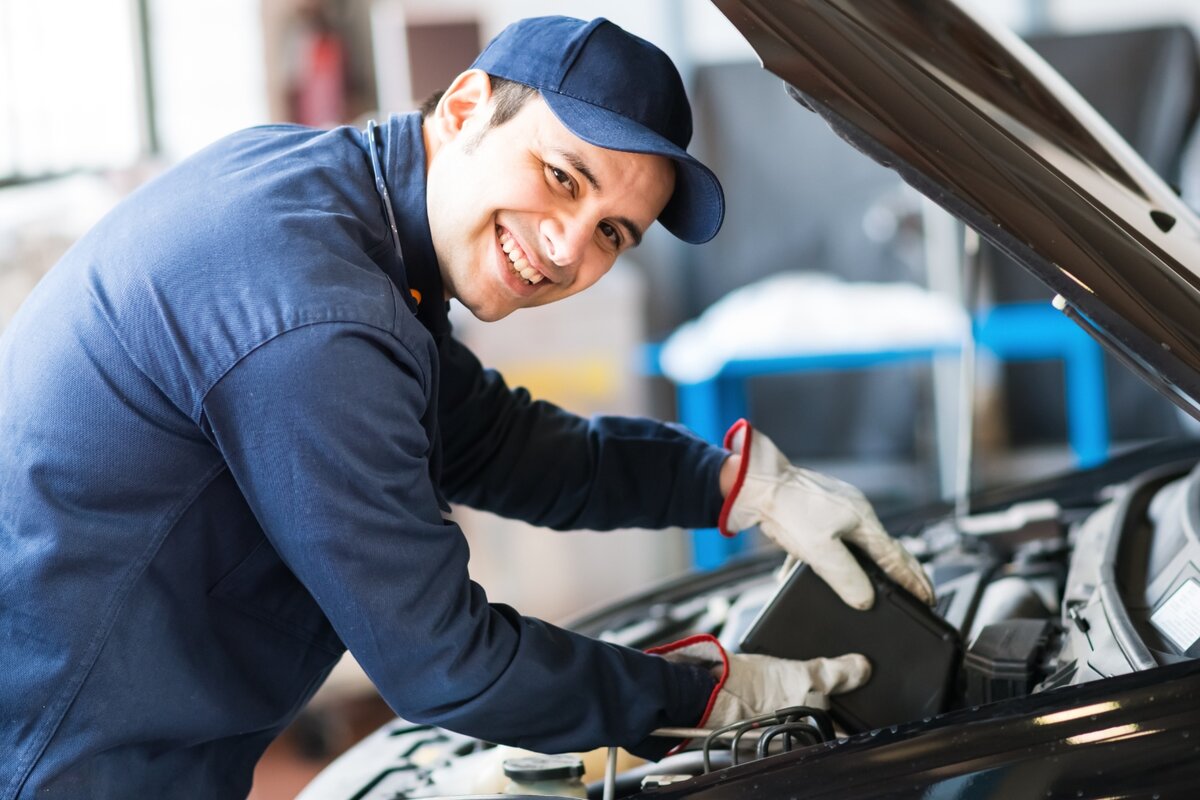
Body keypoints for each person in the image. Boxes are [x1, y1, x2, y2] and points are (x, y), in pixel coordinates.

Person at [0, 15, 933, 798]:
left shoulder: (340, 214)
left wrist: (744, 484)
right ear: (464, 107)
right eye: (561, 176)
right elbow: (445, 662)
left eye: (613, 230)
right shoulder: (319, 314)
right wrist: (705, 697)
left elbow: (500, 444)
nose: (569, 249)